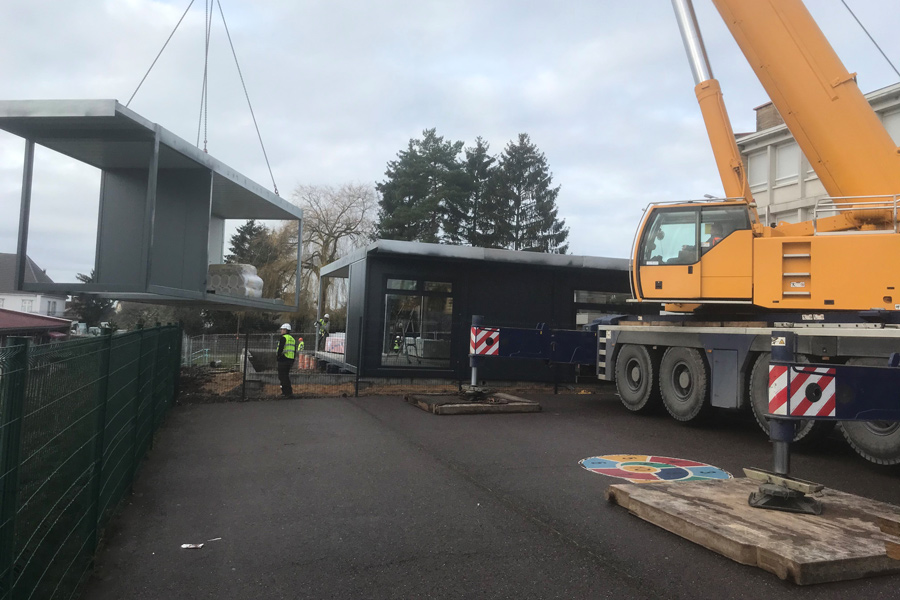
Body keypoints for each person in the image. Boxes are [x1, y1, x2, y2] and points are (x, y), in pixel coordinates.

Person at [276, 323, 297, 398]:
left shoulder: (283, 338)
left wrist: (278, 357)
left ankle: (285, 393)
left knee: (282, 376)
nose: (281, 331)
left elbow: (280, 349)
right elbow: (294, 351)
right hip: (290, 360)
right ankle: (289, 392)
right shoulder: (293, 339)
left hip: (283, 359)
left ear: (286, 330)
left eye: (282, 329)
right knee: (286, 376)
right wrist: (293, 359)